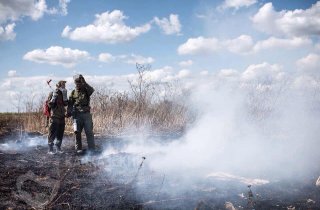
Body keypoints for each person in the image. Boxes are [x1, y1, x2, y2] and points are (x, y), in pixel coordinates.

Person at [67, 74, 95, 154]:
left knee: (89, 132)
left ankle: (92, 149)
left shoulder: (86, 90)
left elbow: (92, 90)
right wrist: (68, 112)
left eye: (80, 83)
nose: (78, 84)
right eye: (77, 83)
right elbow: (70, 104)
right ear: (75, 84)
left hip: (86, 114)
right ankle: (78, 149)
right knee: (77, 132)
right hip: (77, 115)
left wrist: (85, 82)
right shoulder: (73, 92)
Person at [47, 80, 68, 154]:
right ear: (59, 86)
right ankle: (50, 149)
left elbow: (65, 104)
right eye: (63, 85)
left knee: (60, 133)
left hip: (62, 116)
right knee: (52, 133)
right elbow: (49, 105)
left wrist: (65, 97)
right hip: (54, 116)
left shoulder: (63, 93)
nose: (64, 86)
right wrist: (53, 98)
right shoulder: (52, 93)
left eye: (64, 85)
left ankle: (58, 148)